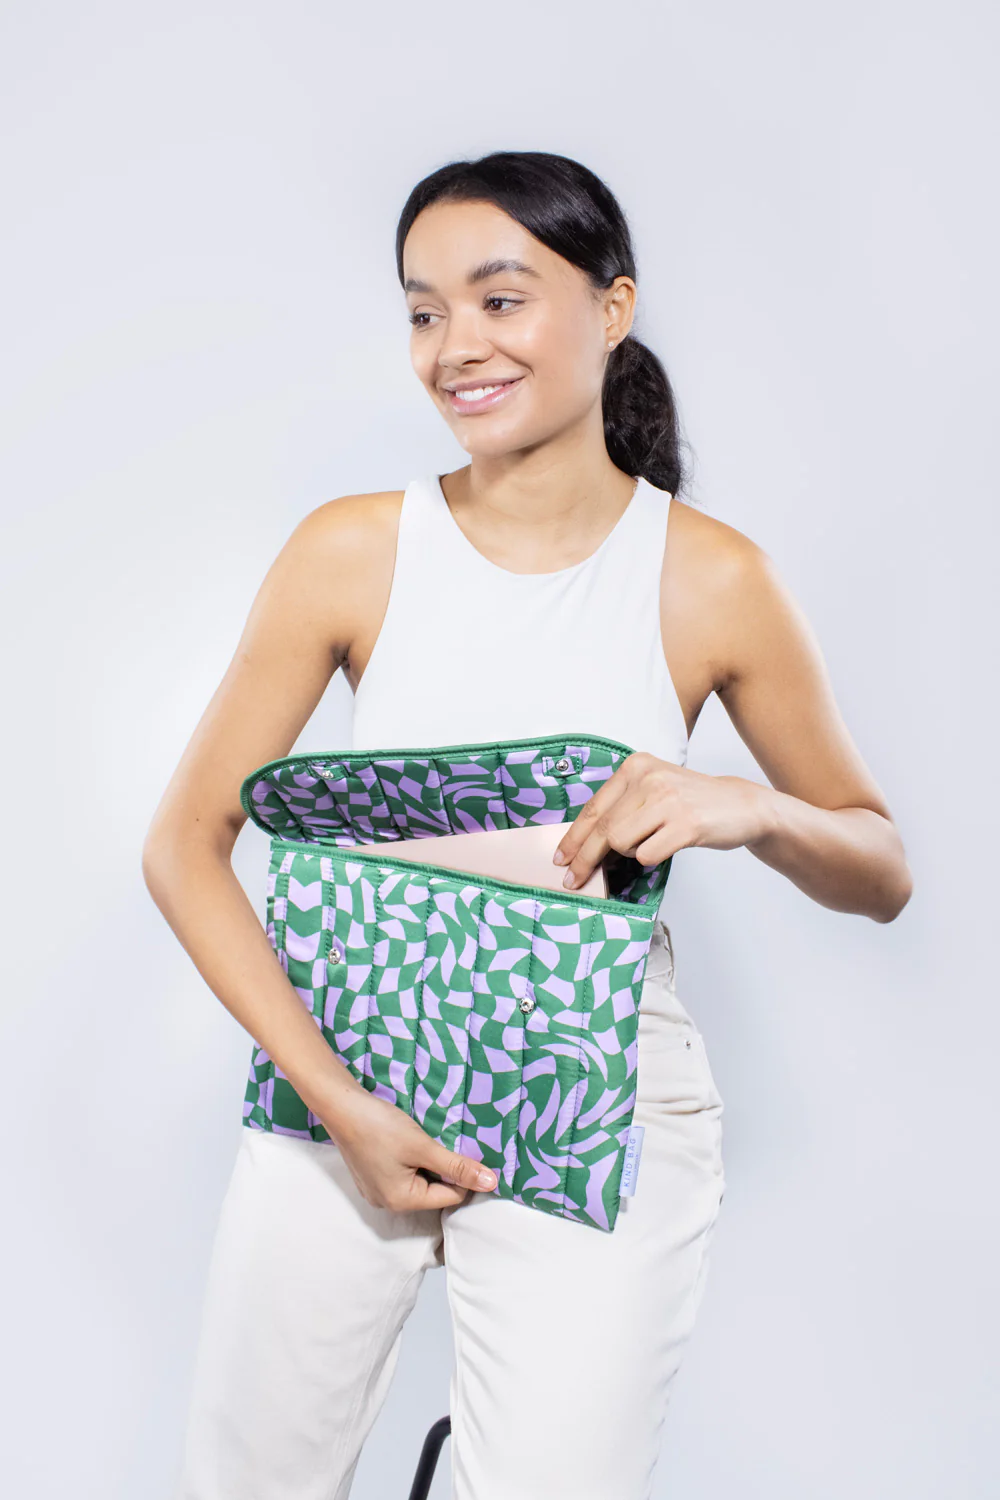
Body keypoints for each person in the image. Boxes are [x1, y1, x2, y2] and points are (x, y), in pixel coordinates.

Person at [143, 150, 913, 1500]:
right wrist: (336, 1104)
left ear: (614, 308)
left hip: (596, 1084)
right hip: (346, 1067)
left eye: (500, 300)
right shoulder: (353, 550)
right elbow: (183, 846)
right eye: (424, 312)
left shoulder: (711, 578)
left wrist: (752, 807)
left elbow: (882, 869)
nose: (456, 347)